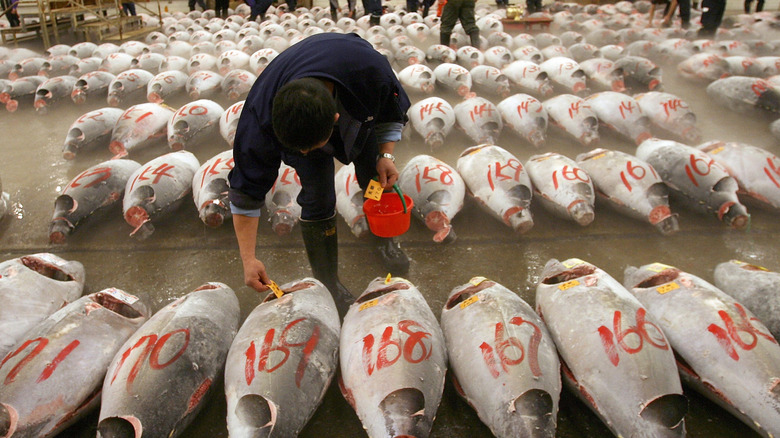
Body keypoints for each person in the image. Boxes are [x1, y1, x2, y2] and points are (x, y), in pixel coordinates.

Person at [228, 33, 411, 318]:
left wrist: (386, 155)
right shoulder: (259, 115)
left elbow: (390, 113)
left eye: (310, 146)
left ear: (335, 121)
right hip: (311, 103)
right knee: (318, 195)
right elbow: (246, 190)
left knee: (373, 176)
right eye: (296, 149)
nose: (302, 153)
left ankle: (382, 239)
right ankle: (328, 279)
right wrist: (248, 258)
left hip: (353, 92)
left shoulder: (372, 74)